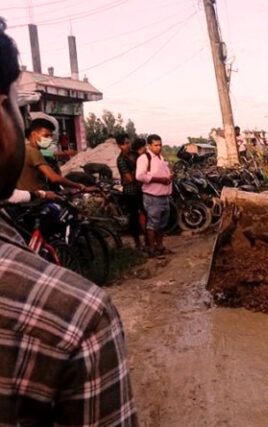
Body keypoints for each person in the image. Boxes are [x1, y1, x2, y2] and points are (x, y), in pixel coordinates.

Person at [0, 20, 137, 425]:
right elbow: (53, 176)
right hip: (29, 201)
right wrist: (57, 189)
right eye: (15, 107)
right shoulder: (75, 317)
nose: (28, 128)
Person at [16, 118, 94, 193]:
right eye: (46, 136)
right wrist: (80, 186)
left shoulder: (24, 149)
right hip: (38, 199)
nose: (49, 139)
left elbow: (50, 153)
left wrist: (65, 153)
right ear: (33, 134)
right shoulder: (33, 152)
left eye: (51, 136)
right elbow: (54, 178)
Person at [136, 134, 173, 256]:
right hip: (153, 197)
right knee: (153, 224)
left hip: (164, 196)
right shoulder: (144, 158)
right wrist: (160, 180)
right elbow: (140, 176)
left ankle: (160, 246)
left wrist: (169, 177)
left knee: (162, 224)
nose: (159, 147)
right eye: (156, 145)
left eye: (160, 145)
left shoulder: (161, 158)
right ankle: (151, 249)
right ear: (149, 146)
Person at [117, 134, 145, 250]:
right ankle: (137, 244)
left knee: (144, 215)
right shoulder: (121, 160)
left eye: (128, 142)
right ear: (120, 145)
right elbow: (130, 178)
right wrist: (138, 170)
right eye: (125, 143)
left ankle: (147, 241)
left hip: (140, 190)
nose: (128, 145)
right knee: (133, 219)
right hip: (130, 192)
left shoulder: (133, 154)